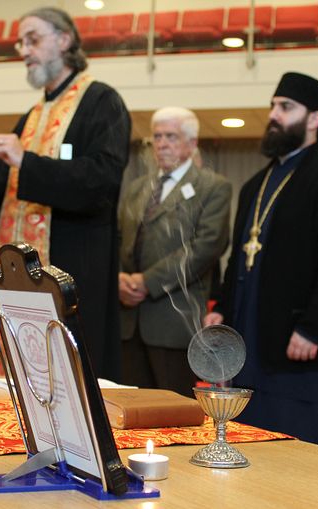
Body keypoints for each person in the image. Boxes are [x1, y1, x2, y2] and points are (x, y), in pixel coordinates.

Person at [0, 7, 131, 380]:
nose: (23, 50)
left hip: (72, 270)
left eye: (33, 39)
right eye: (20, 42)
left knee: (69, 385)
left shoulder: (101, 102)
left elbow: (101, 181)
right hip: (20, 282)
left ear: (65, 40)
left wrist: (25, 162)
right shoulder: (31, 117)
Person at [203, 72, 318, 448]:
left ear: (314, 119)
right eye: (273, 105)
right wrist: (222, 310)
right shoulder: (253, 186)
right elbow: (237, 258)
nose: (274, 114)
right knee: (247, 450)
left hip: (294, 348)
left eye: (286, 107)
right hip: (246, 345)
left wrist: (312, 328)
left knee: (296, 459)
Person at [118, 107, 231, 396]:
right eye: (157, 137)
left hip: (173, 321)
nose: (162, 144)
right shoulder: (136, 188)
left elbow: (205, 247)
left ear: (192, 143)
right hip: (129, 321)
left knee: (174, 417)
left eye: (171, 136)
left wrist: (147, 282)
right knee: (132, 413)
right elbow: (118, 240)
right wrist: (119, 278)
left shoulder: (212, 186)